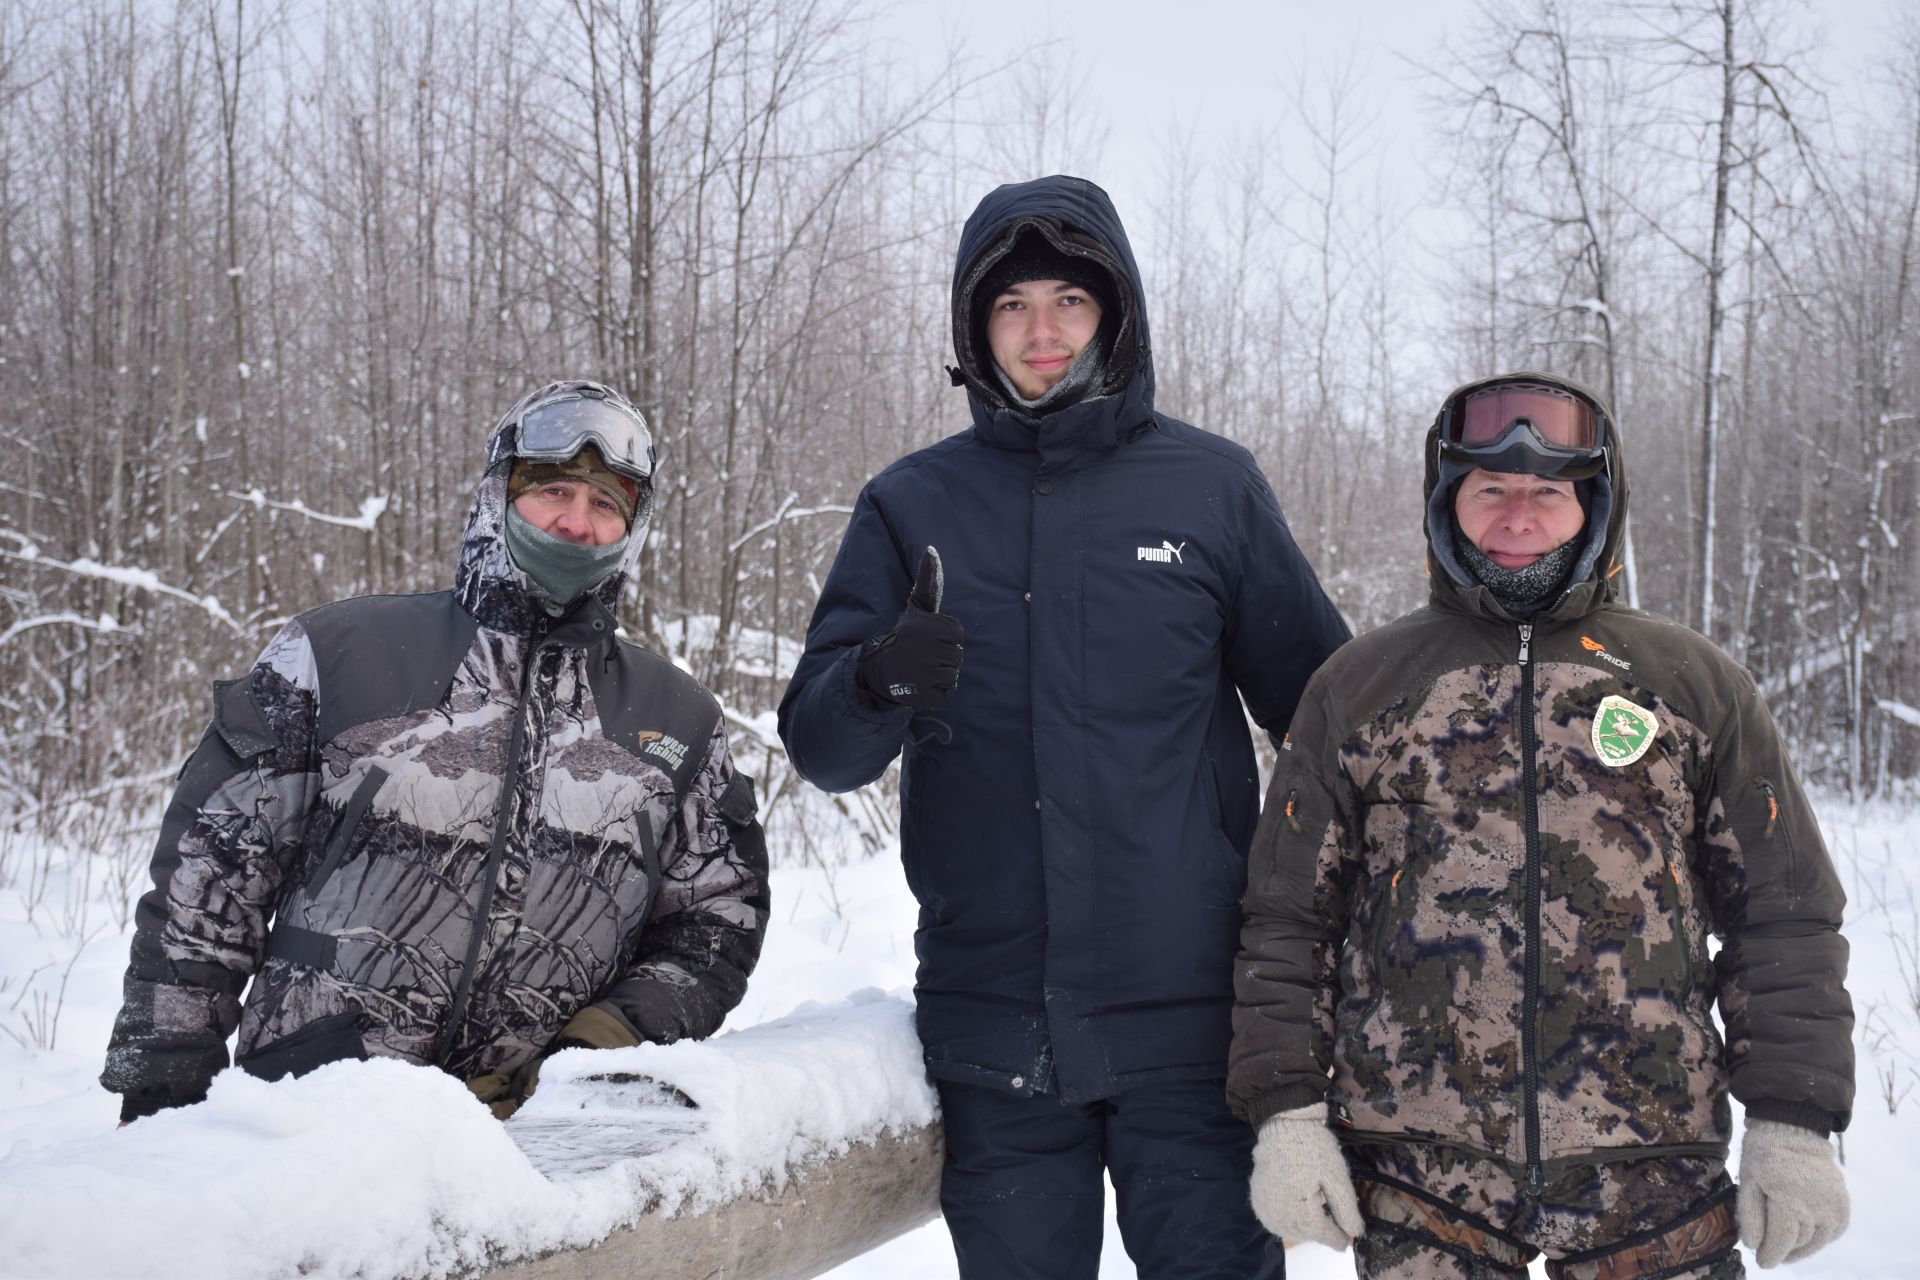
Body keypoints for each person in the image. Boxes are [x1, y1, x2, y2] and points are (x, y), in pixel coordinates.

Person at [778, 175, 1350, 1278]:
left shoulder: (1211, 489)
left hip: (1189, 1029)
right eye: (1010, 305)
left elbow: (1329, 729)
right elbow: (821, 749)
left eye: (1069, 302)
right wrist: (880, 680)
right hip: (998, 1032)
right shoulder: (911, 503)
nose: (1041, 331)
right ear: (972, 325)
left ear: (1116, 312)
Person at [1229, 371, 1853, 1278]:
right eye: (1491, 490)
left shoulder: (1691, 685)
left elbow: (1784, 917)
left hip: (1652, 1170)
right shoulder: (1358, 689)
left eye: (1547, 493)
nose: (1517, 518)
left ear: (1593, 505)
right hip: (1422, 1177)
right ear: (1449, 504)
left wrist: (1794, 1122)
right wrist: (1285, 1116)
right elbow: (1287, 922)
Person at [103, 380, 769, 1123]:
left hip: (539, 1153)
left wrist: (607, 1046)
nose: (577, 522)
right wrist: (162, 1096)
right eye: (553, 490)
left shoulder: (676, 718)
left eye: (607, 504)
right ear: (498, 493)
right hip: (309, 1130)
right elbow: (210, 885)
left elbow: (718, 918)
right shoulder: (335, 655)